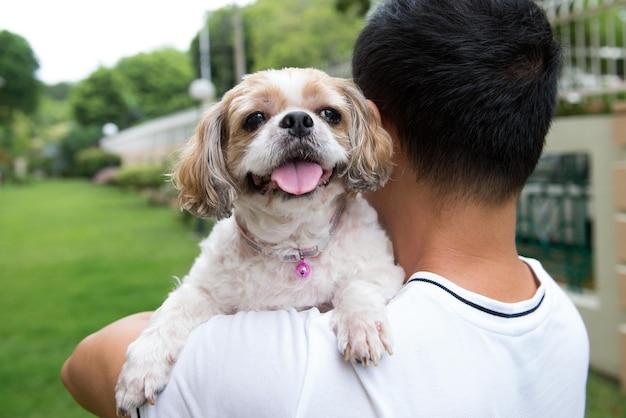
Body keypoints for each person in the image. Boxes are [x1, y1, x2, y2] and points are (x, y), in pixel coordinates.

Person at [61, 0, 589, 417]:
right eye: (256, 121)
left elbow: (85, 365)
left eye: (326, 115)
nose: (296, 127)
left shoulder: (293, 369)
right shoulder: (563, 322)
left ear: (376, 128)